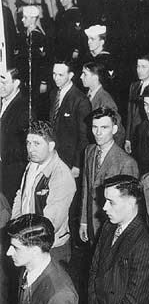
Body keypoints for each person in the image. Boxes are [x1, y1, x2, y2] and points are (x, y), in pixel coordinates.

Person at [88, 175, 149, 304]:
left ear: (130, 203)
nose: (104, 207)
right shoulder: (108, 226)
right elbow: (94, 272)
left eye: (111, 202)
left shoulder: (145, 244)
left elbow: (135, 300)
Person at [12, 120, 76, 264]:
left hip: (49, 247)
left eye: (37, 144)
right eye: (28, 143)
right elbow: (21, 195)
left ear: (51, 146)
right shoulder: (32, 164)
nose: (31, 149)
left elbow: (52, 222)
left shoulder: (61, 174)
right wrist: (16, 227)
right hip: (27, 241)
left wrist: (26, 239)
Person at [6, 214, 78, 304]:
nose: (9, 252)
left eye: (15, 247)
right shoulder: (27, 267)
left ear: (34, 250)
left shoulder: (60, 295)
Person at [80, 107, 139, 245]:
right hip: (91, 224)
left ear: (114, 129)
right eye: (95, 127)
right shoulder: (89, 151)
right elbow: (86, 188)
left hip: (112, 228)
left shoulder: (126, 162)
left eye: (104, 127)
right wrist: (84, 221)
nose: (98, 133)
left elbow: (129, 207)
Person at [49, 59, 92, 177]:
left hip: (70, 160)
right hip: (54, 156)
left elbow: (84, 136)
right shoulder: (53, 94)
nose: (56, 78)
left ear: (71, 75)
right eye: (54, 74)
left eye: (60, 75)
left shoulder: (80, 100)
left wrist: (77, 164)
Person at [0, 68, 29, 204]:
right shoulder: (2, 102)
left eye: (4, 82)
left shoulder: (24, 109)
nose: (0, 87)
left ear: (16, 82)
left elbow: (26, 147)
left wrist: (2, 154)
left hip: (11, 173)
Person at [80, 61, 126, 147]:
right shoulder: (86, 95)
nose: (81, 77)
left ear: (95, 78)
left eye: (85, 74)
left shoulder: (105, 101)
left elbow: (118, 132)